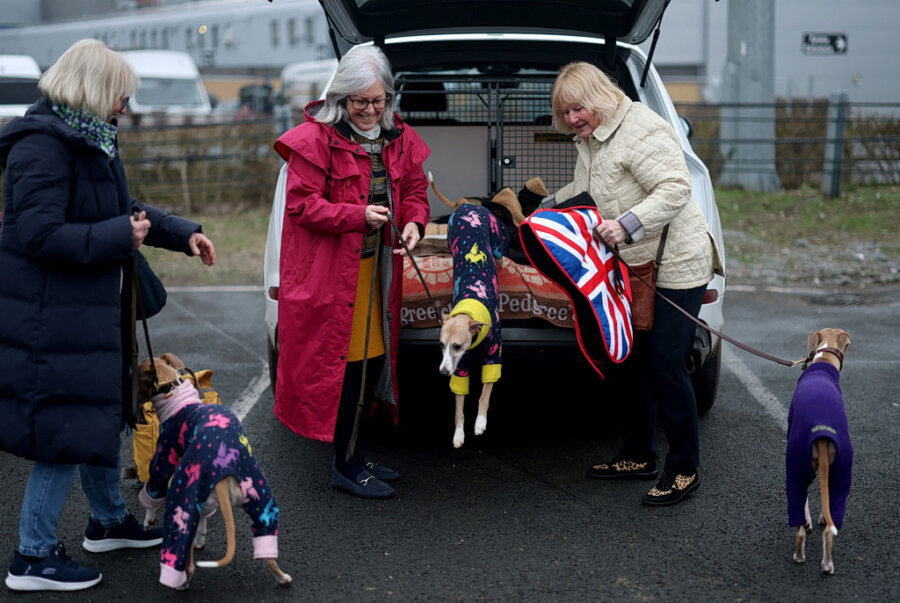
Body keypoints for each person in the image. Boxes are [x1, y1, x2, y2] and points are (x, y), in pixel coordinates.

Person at [0, 39, 216, 592]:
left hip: (87, 316)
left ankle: (108, 520)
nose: (126, 105)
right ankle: (33, 556)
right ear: (94, 88)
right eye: (121, 94)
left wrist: (182, 232)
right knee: (63, 430)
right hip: (54, 320)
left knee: (100, 416)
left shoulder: (91, 139)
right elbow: (40, 235)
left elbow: (125, 207)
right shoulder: (41, 147)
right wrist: (122, 235)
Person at [547, 61, 723, 507]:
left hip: (676, 264)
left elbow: (674, 188)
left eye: (577, 109)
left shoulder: (641, 128)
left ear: (599, 96)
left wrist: (626, 224)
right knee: (631, 360)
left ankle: (684, 469)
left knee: (665, 364)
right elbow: (591, 188)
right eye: (565, 113)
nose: (571, 120)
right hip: (636, 266)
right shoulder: (592, 135)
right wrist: (545, 206)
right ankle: (638, 454)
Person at [272, 45, 430, 499]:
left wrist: (416, 223)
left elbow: (416, 188)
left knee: (371, 363)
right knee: (344, 367)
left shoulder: (396, 136)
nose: (369, 110)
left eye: (378, 101)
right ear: (341, 97)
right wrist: (357, 216)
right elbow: (303, 206)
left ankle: (356, 454)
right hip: (329, 274)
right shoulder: (314, 140)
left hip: (377, 270)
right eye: (359, 101)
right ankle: (344, 464)